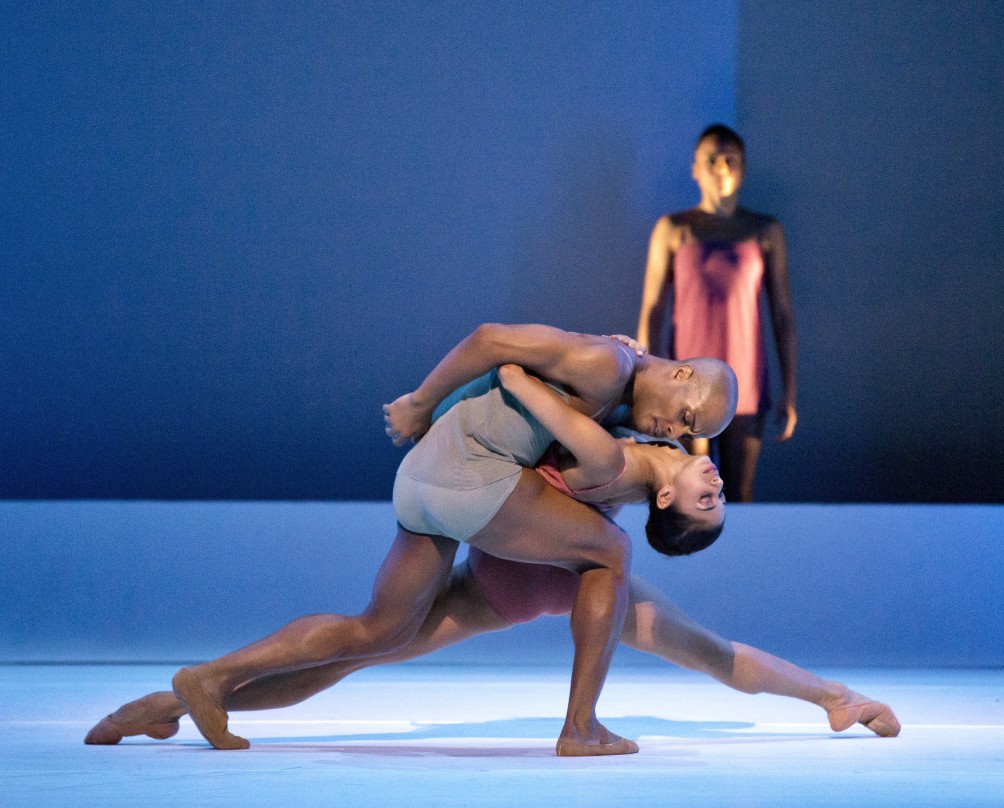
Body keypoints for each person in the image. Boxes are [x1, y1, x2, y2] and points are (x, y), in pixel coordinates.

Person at [86, 365, 897, 745]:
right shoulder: (631, 458)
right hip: (510, 561)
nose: (716, 476)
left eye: (708, 498)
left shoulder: (616, 469)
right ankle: (580, 727)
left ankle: (175, 703)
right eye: (717, 484)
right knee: (367, 642)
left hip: (514, 579)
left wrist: (523, 371)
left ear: (665, 503)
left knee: (366, 645)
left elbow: (552, 402)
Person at [166, 324, 738, 756]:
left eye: (689, 433)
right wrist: (419, 401)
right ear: (682, 373)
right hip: (469, 472)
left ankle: (206, 682)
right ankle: (581, 727)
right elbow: (490, 338)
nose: (677, 432)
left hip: (422, 479)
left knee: (379, 632)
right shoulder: (606, 361)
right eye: (685, 415)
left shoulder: (619, 377)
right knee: (611, 551)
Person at [637, 124, 798, 502]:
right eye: (712, 160)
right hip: (685, 381)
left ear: (743, 168)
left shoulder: (765, 231)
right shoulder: (674, 229)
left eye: (731, 160)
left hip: (745, 381)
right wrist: (644, 384)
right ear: (696, 168)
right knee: (688, 493)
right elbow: (652, 308)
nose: (722, 168)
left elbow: (783, 316)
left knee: (739, 494)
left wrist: (789, 392)